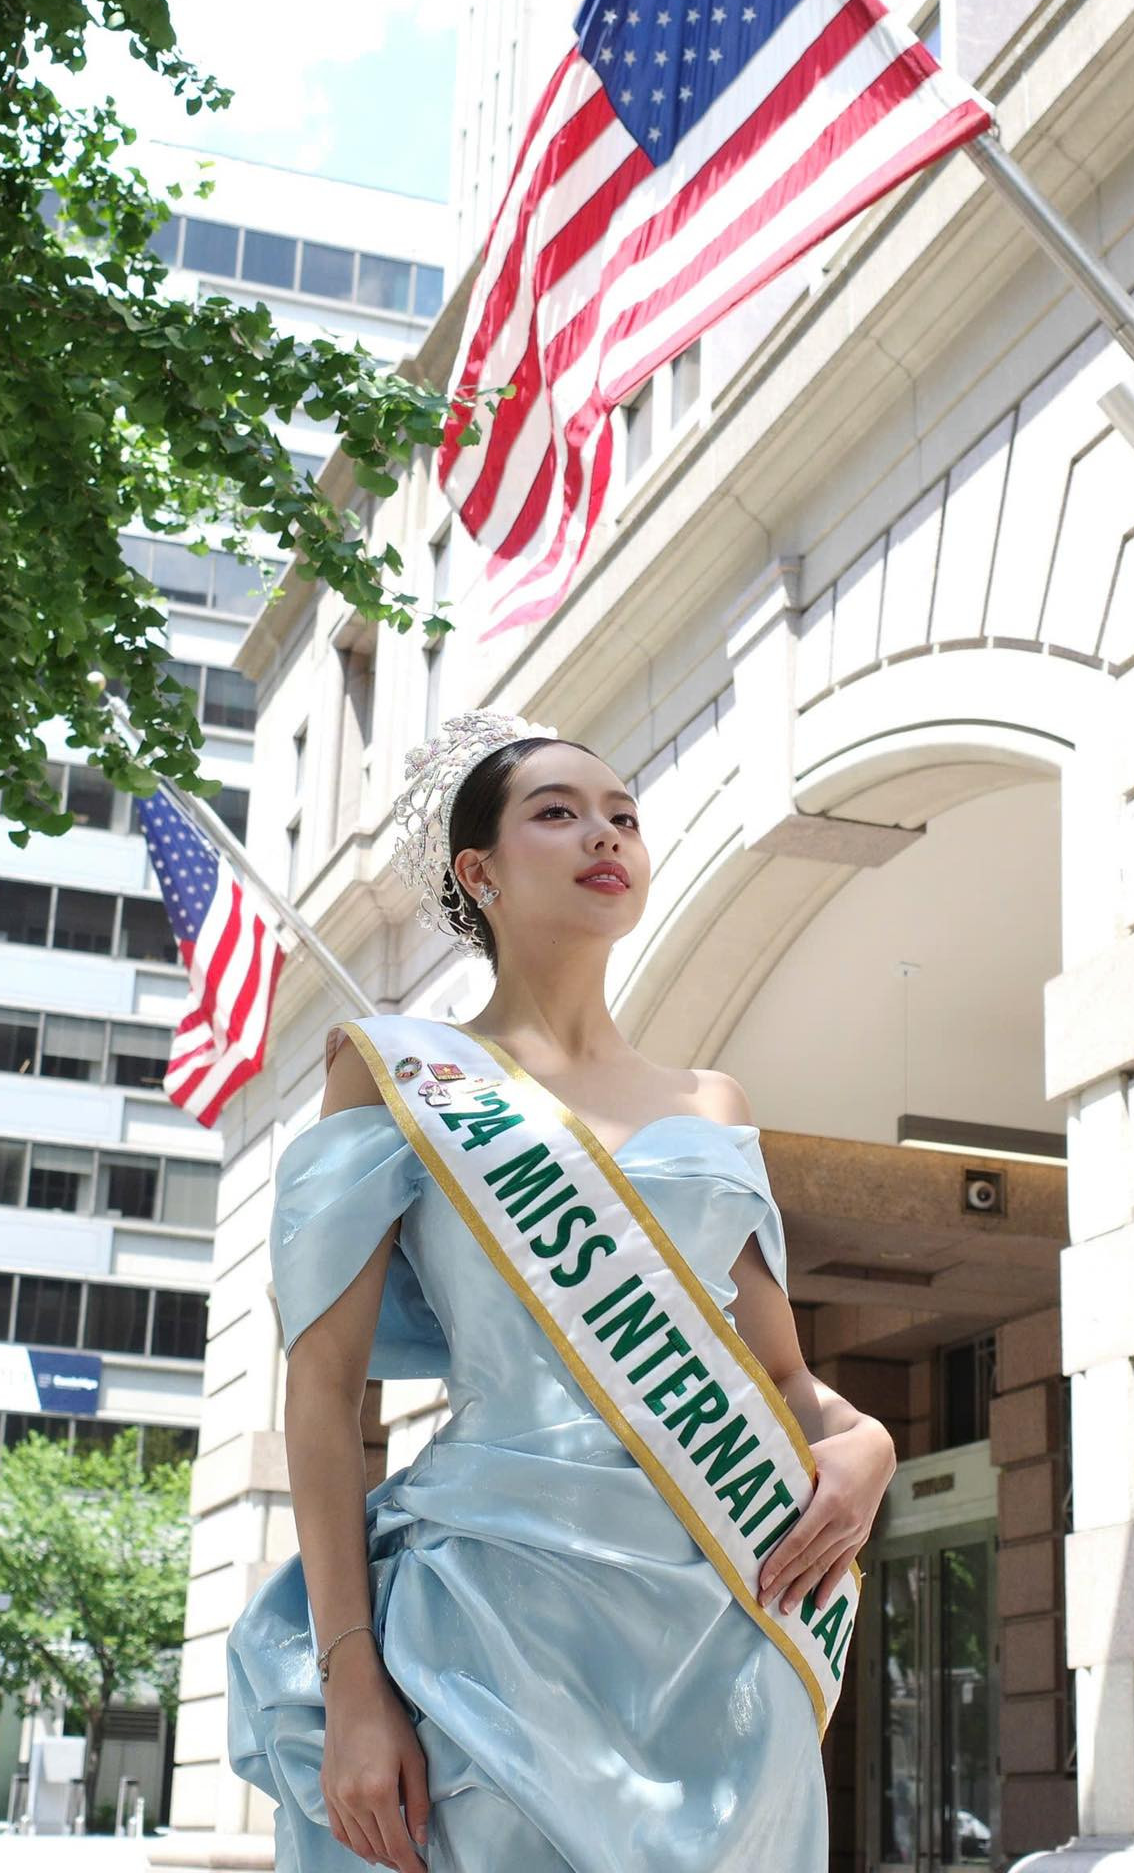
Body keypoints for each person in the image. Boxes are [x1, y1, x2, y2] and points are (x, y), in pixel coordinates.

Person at [227, 708, 897, 1872]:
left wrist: (868, 1445)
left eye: (623, 816)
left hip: (720, 1628)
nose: (604, 832)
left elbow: (786, 1380)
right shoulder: (395, 1073)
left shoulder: (711, 1102)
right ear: (475, 871)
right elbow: (325, 1397)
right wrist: (350, 1682)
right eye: (557, 810)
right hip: (490, 1622)